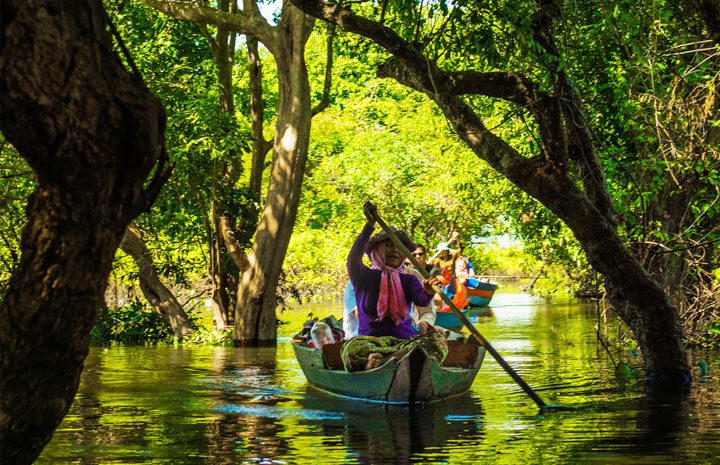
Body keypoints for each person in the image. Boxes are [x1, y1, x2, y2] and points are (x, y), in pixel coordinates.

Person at [342, 202, 447, 372]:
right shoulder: (363, 277)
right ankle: (377, 360)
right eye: (389, 245)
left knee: (438, 342)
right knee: (350, 350)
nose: (395, 250)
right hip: (371, 343)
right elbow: (353, 259)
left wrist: (428, 290)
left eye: (399, 247)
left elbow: (421, 299)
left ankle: (388, 360)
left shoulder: (409, 279)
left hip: (404, 343)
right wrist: (369, 226)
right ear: (376, 250)